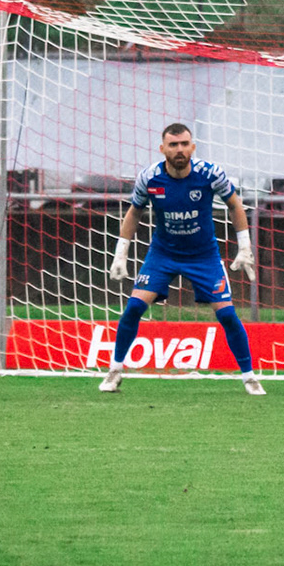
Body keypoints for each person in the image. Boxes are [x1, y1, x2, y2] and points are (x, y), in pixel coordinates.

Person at [102, 123, 264, 395]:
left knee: (227, 314)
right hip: (163, 254)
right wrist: (121, 252)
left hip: (204, 256)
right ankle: (114, 371)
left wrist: (245, 246)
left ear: (193, 147)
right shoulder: (149, 178)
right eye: (174, 145)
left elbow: (235, 205)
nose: (180, 149)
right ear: (162, 148)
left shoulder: (210, 174)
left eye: (184, 144)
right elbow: (134, 211)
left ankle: (249, 377)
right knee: (133, 308)